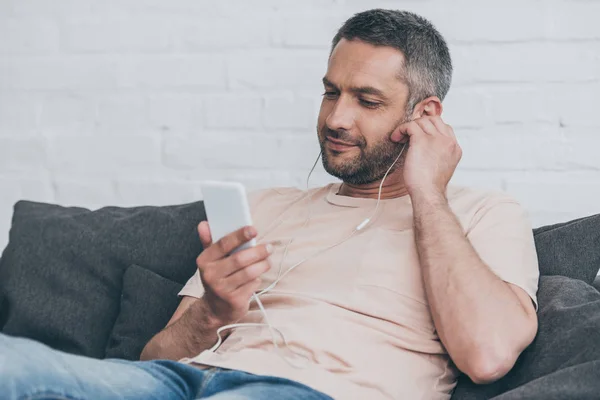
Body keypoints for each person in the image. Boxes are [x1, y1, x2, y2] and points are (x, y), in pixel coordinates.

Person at [0, 8, 539, 400]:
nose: (336, 119)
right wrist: (213, 309)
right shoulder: (267, 206)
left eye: (366, 100)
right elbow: (153, 362)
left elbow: (488, 355)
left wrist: (426, 191)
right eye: (331, 92)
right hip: (183, 382)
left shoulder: (482, 214)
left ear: (426, 114)